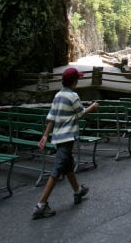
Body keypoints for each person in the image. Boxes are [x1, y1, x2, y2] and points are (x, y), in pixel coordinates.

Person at [32, 67, 98, 219]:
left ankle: (77, 191)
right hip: (67, 138)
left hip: (57, 137)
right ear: (74, 82)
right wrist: (93, 107)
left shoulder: (57, 96)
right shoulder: (73, 96)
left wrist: (45, 136)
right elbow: (80, 114)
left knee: (68, 165)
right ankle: (41, 205)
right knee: (57, 169)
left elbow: (52, 118)